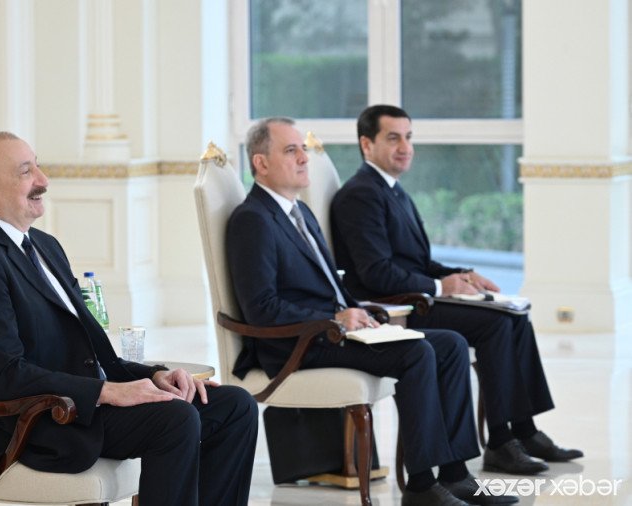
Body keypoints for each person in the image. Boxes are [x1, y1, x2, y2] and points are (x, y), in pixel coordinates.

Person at [0, 131, 258, 506]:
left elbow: (93, 354)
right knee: (175, 419)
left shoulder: (43, 245)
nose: (43, 180)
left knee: (235, 406)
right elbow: (5, 375)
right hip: (40, 420)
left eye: (38, 166)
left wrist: (154, 375)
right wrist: (111, 392)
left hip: (83, 405)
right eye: (26, 172)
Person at [227, 118, 516, 506]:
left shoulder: (300, 212)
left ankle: (455, 473)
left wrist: (361, 310)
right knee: (416, 353)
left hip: (333, 331)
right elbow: (261, 307)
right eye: (290, 150)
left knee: (449, 344)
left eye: (303, 150)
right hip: (299, 343)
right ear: (260, 163)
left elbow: (332, 287)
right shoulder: (253, 220)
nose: (303, 158)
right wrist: (334, 320)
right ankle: (421, 485)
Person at [330, 104, 583, 476]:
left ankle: (524, 431)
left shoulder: (392, 191)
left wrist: (461, 274)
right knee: (495, 324)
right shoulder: (360, 195)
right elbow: (376, 272)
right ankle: (500, 442)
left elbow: (418, 261)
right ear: (367, 145)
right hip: (395, 307)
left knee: (514, 315)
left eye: (409, 137)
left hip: (416, 296)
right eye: (394, 138)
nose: (405, 147)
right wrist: (439, 285)